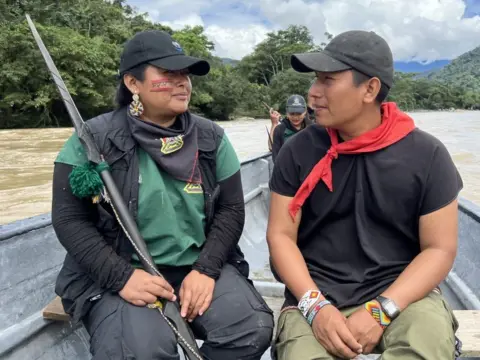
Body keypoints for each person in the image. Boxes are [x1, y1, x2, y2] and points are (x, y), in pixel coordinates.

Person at [51, 29, 273, 360]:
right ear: (132, 83)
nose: (182, 82)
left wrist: (206, 269)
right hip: (121, 269)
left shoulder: (211, 139)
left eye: (185, 74)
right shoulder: (94, 140)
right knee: (138, 351)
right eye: (168, 74)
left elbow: (230, 211)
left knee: (251, 329)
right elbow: (69, 218)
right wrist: (120, 276)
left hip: (195, 264)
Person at [267, 30, 462, 360]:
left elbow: (440, 248)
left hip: (402, 295)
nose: (313, 93)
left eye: (328, 80)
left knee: (424, 346)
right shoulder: (298, 150)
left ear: (370, 89)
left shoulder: (427, 155)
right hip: (314, 294)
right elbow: (280, 236)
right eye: (315, 80)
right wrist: (316, 308)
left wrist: (381, 311)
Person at [269, 94, 313, 162]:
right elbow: (272, 149)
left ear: (305, 112)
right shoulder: (280, 129)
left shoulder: (312, 128)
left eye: (299, 114)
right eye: (292, 114)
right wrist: (274, 124)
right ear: (287, 113)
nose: (295, 117)